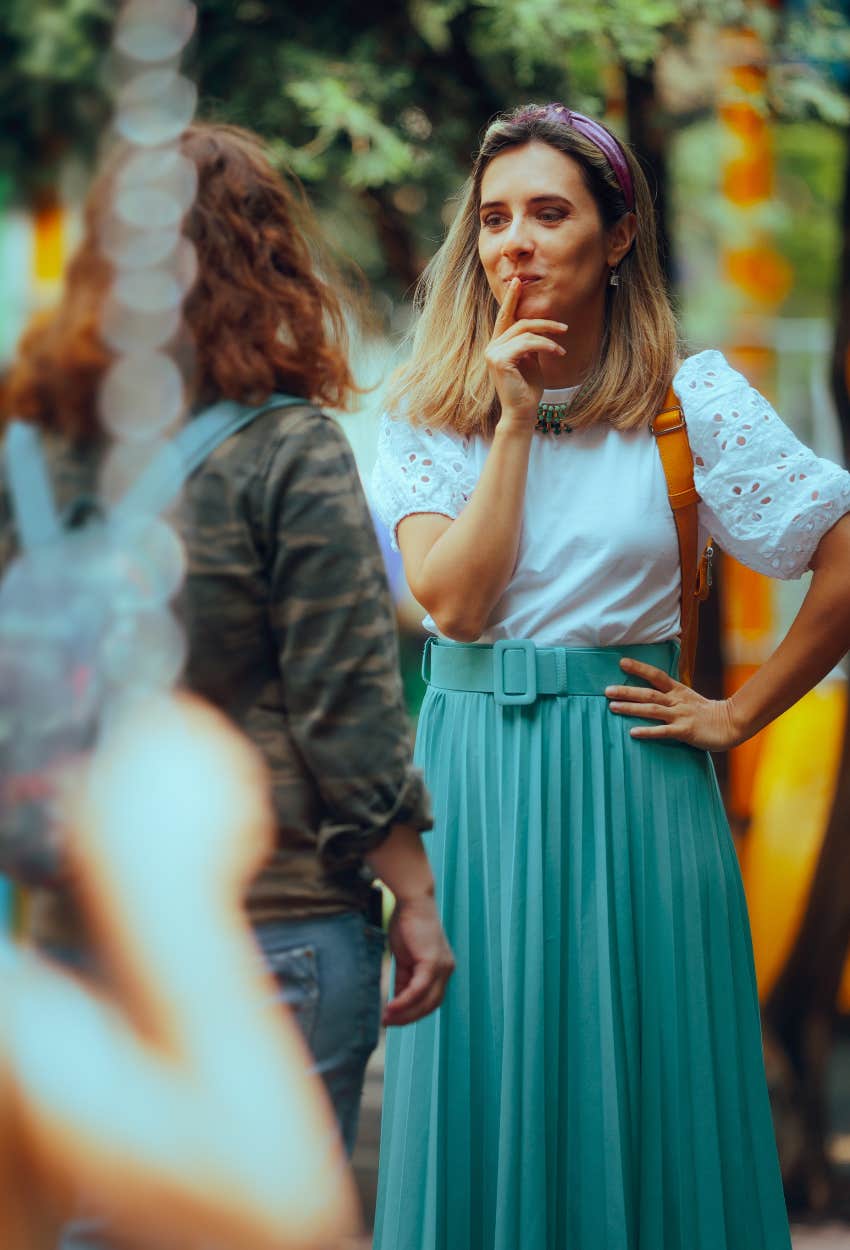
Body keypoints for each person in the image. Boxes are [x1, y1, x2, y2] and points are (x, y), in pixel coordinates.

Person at [370, 102, 850, 1250]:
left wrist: (739, 710)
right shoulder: (431, 414)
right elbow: (459, 603)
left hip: (635, 777)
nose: (514, 243)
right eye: (493, 219)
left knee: (647, 1098)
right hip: (476, 785)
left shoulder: (697, 403)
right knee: (486, 1091)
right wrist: (515, 419)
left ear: (618, 234)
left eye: (548, 212)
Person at [0, 122, 454, 1170]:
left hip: (81, 919)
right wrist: (415, 897)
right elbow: (346, 705)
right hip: (271, 919)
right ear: (269, 258)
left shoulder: (37, 448)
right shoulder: (289, 448)